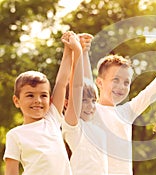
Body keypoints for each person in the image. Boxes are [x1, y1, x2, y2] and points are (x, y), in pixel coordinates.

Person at [88, 32, 156, 175]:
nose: (121, 86)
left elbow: (152, 89)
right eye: (116, 80)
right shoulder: (91, 111)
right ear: (99, 82)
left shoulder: (126, 112)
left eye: (126, 82)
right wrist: (79, 51)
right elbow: (80, 85)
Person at [3, 31, 82, 175]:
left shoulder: (51, 118)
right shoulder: (14, 135)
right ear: (17, 101)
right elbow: (11, 172)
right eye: (30, 95)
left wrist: (68, 49)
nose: (37, 101)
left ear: (50, 99)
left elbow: (62, 82)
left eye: (43, 95)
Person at [62, 33, 108, 175]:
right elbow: (77, 87)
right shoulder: (73, 127)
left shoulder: (93, 123)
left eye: (93, 101)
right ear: (67, 104)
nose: (91, 106)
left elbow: (87, 82)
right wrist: (77, 52)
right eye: (84, 101)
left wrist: (85, 51)